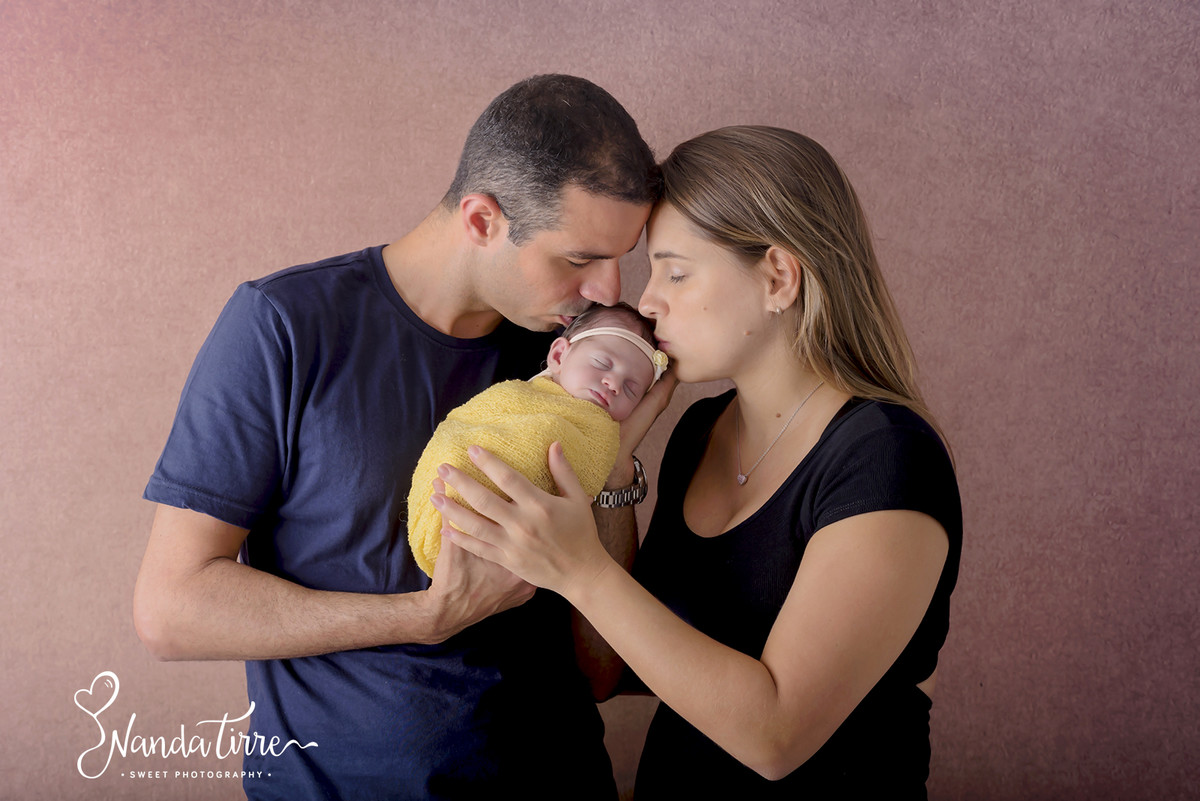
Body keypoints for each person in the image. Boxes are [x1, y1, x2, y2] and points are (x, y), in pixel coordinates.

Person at [133, 74, 667, 800]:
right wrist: (423, 616)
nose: (609, 291)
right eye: (580, 259)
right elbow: (172, 608)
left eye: (621, 258)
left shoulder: (582, 361)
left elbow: (601, 672)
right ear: (482, 220)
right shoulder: (285, 325)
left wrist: (615, 447)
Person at [433, 125, 962, 799]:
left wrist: (578, 566)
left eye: (676, 272)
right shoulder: (701, 432)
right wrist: (614, 469)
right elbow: (606, 671)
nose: (646, 302)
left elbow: (775, 737)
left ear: (777, 276)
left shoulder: (887, 458)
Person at [408, 302, 668, 576]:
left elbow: (585, 482)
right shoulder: (519, 393)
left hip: (511, 545)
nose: (614, 384)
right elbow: (465, 423)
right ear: (558, 355)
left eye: (631, 389)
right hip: (447, 500)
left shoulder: (600, 435)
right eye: (602, 363)